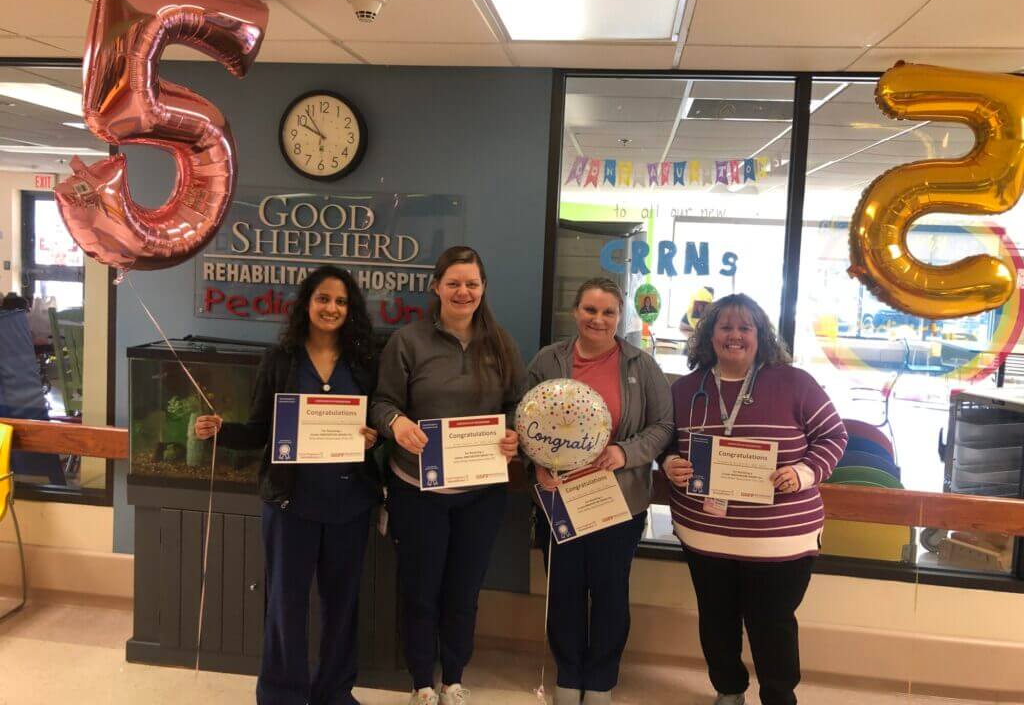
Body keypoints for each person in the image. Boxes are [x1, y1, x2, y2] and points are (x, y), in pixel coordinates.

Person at [194, 265, 381, 705]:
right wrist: (220, 430)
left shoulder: (365, 362)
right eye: (323, 298)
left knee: (342, 605)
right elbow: (260, 430)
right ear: (306, 304)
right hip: (290, 504)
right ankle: (282, 695)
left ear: (350, 308)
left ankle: (334, 692)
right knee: (285, 605)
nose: (331, 308)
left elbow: (379, 422)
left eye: (340, 301)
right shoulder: (280, 360)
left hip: (349, 504)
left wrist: (374, 438)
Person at [661, 294, 847, 705]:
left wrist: (803, 473)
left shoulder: (796, 383)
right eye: (725, 327)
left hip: (779, 540)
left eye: (745, 328)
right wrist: (670, 462)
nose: (735, 336)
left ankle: (778, 697)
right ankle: (728, 690)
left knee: (771, 625)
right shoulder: (686, 389)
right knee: (716, 620)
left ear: (760, 335)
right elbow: (666, 442)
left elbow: (834, 437)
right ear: (709, 335)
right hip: (706, 535)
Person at [370, 245, 526, 705]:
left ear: (483, 288)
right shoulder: (408, 341)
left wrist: (513, 433)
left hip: (481, 493)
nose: (463, 292)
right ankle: (421, 681)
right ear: (436, 286)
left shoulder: (501, 343)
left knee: (463, 589)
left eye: (472, 284)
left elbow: (517, 404)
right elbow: (381, 403)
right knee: (420, 589)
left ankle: (453, 678)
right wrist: (396, 424)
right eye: (454, 283)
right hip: (417, 489)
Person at [527, 277, 674, 705]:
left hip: (618, 502)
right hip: (560, 499)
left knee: (610, 594)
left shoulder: (641, 366)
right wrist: (537, 463)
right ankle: (568, 673)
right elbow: (524, 419)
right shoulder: (548, 360)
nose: (598, 319)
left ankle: (601, 678)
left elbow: (663, 426)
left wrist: (625, 452)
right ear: (575, 312)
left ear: (620, 316)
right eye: (590, 310)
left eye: (608, 312)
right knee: (564, 592)